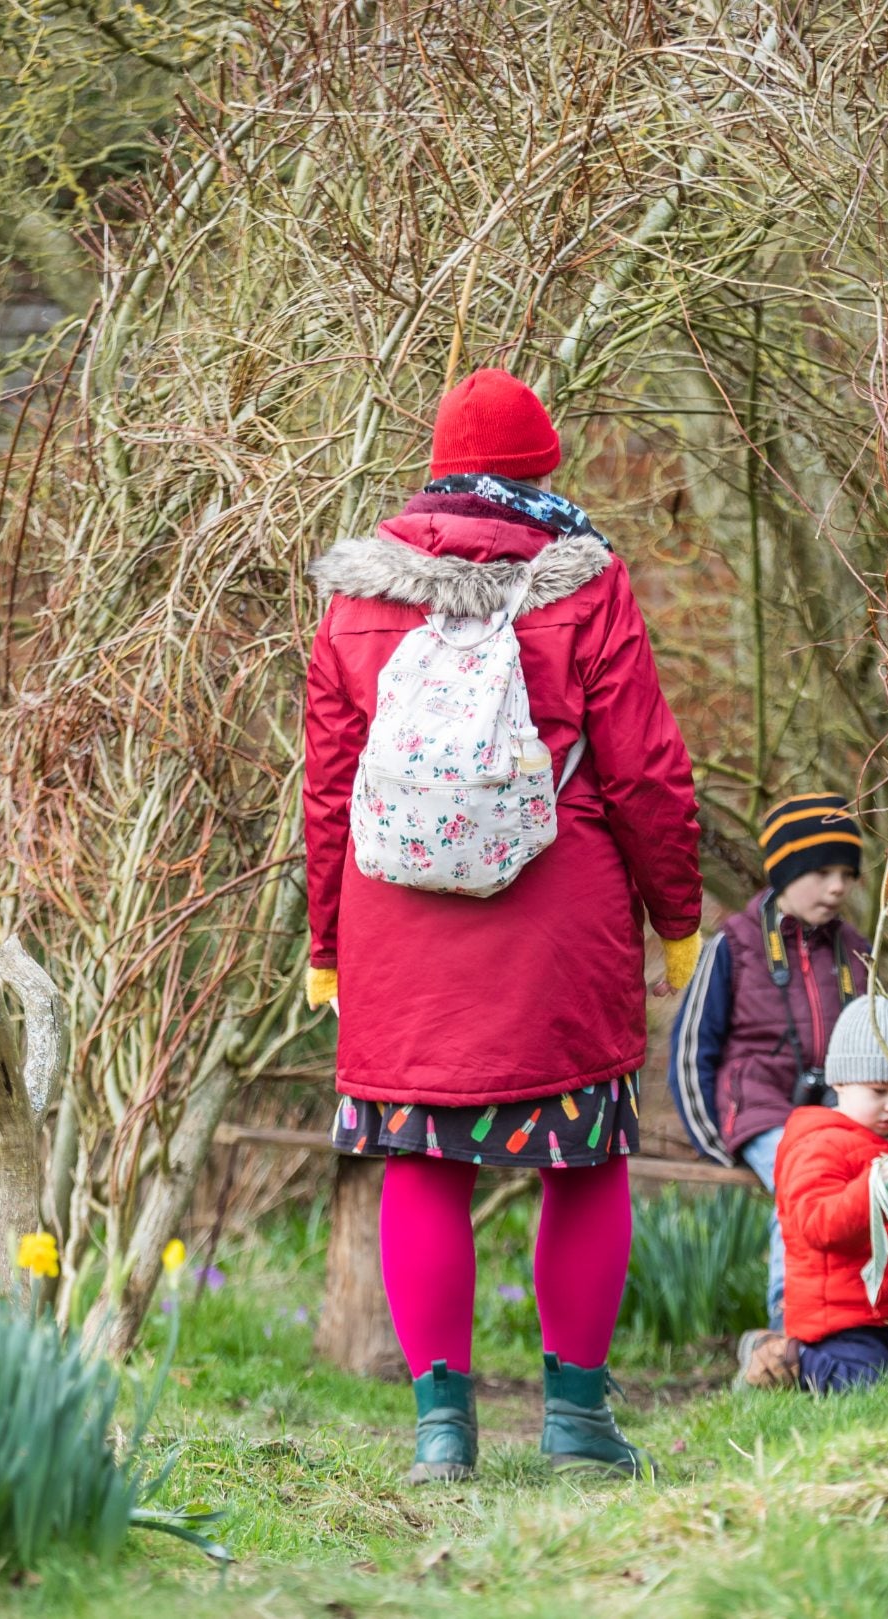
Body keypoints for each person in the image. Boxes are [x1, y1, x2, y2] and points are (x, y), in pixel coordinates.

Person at [302, 367, 705, 1484]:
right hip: (556, 930)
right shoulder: (583, 582)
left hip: (398, 930)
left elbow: (330, 787)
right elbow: (644, 769)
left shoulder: (357, 597)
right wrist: (676, 912)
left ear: (435, 467)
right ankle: (575, 1417)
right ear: (541, 470)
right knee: (583, 1162)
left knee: (423, 1163)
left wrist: (328, 939)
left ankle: (443, 1428)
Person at [667, 792, 872, 1328]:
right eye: (822, 871)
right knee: (804, 1174)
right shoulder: (732, 946)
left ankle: (864, 1319)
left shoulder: (856, 952)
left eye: (847, 875)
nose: (837, 887)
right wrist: (714, 1142)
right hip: (760, 1115)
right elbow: (691, 1053)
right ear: (785, 871)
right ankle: (793, 1326)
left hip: (838, 1119)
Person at [734, 995, 888, 1393]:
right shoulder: (817, 1144)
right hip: (841, 1319)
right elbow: (816, 1225)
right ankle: (785, 1360)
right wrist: (871, 1197)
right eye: (879, 1091)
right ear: (840, 1082)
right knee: (868, 1384)